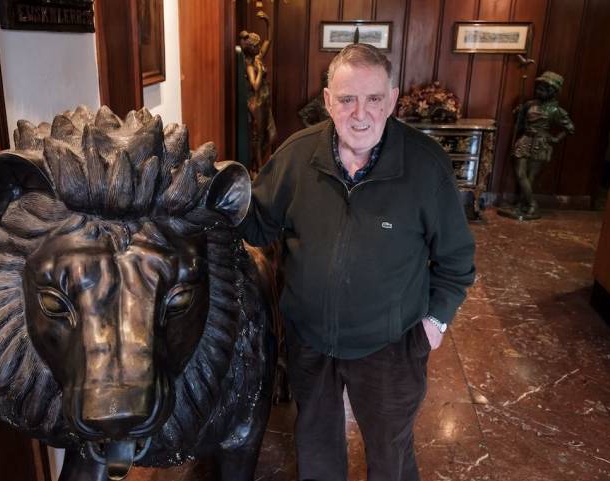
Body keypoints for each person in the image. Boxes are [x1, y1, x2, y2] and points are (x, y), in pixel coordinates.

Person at [238, 43, 475, 481]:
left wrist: (435, 324)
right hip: (310, 341)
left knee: (391, 453)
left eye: (373, 99)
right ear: (327, 100)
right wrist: (216, 198)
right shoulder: (296, 155)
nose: (360, 113)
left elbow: (457, 260)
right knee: (316, 446)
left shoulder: (425, 165)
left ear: (393, 99)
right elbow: (257, 226)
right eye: (347, 99)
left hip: (390, 345)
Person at [510, 71, 574, 219]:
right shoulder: (529, 104)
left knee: (531, 177)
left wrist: (556, 139)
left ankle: (524, 204)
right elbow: (520, 123)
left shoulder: (556, 110)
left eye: (544, 89)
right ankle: (532, 203)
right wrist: (518, 114)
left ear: (553, 91)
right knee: (520, 173)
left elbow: (570, 128)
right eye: (538, 88)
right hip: (525, 140)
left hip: (541, 144)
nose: (539, 91)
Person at [239, 9, 277, 174]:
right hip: (256, 102)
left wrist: (267, 21)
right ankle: (258, 167)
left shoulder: (258, 58)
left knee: (269, 133)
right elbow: (254, 85)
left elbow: (269, 39)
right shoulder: (250, 65)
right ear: (251, 49)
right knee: (258, 135)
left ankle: (260, 164)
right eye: (256, 46)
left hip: (264, 99)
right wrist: (261, 71)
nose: (259, 47)